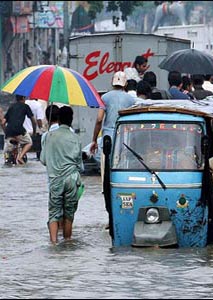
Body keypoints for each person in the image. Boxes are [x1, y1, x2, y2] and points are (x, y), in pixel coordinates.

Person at [40, 106, 83, 244]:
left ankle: (53, 244)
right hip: (72, 179)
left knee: (53, 213)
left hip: (55, 180)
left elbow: (43, 160)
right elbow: (80, 165)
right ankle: (68, 241)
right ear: (71, 120)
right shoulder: (76, 138)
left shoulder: (49, 136)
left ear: (57, 120)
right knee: (69, 213)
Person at [90, 71, 136, 186]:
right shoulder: (130, 100)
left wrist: (94, 140)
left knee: (106, 168)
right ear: (125, 84)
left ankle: (106, 189)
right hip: (124, 138)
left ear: (112, 82)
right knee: (121, 166)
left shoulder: (105, 97)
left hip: (107, 138)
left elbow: (99, 119)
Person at [3, 95, 36, 165]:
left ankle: (10, 158)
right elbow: (34, 121)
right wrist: (34, 132)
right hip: (19, 130)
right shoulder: (25, 106)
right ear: (23, 98)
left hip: (8, 131)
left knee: (8, 152)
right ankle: (20, 157)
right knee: (29, 142)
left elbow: (3, 122)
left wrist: (6, 132)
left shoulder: (11, 107)